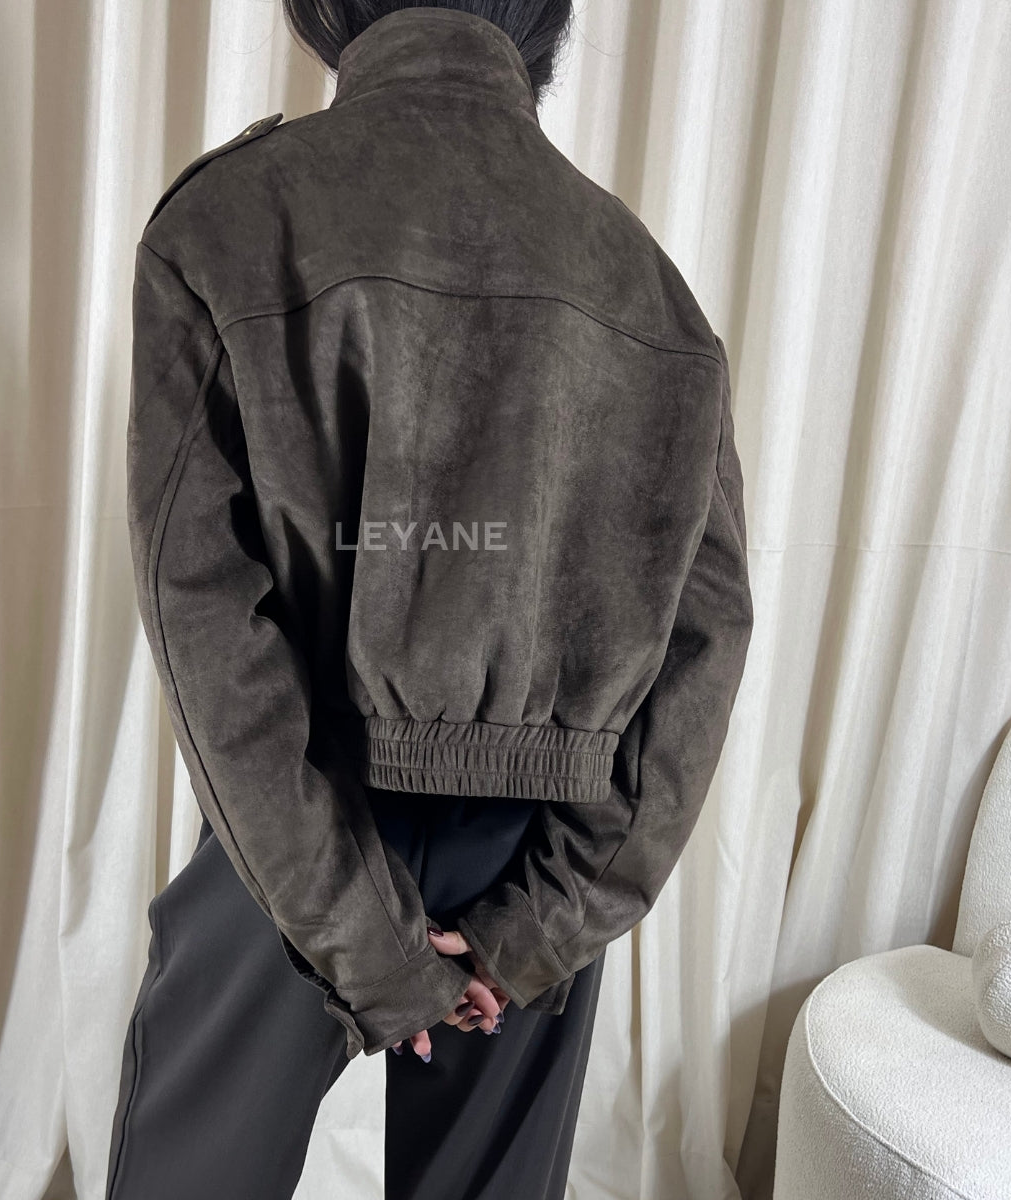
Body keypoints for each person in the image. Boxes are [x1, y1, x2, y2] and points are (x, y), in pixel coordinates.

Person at [107, 2, 754, 1197]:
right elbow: (702, 649)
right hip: (539, 839)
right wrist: (548, 919)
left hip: (297, 824)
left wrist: (353, 926)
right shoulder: (648, 283)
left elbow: (202, 610)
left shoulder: (230, 218)